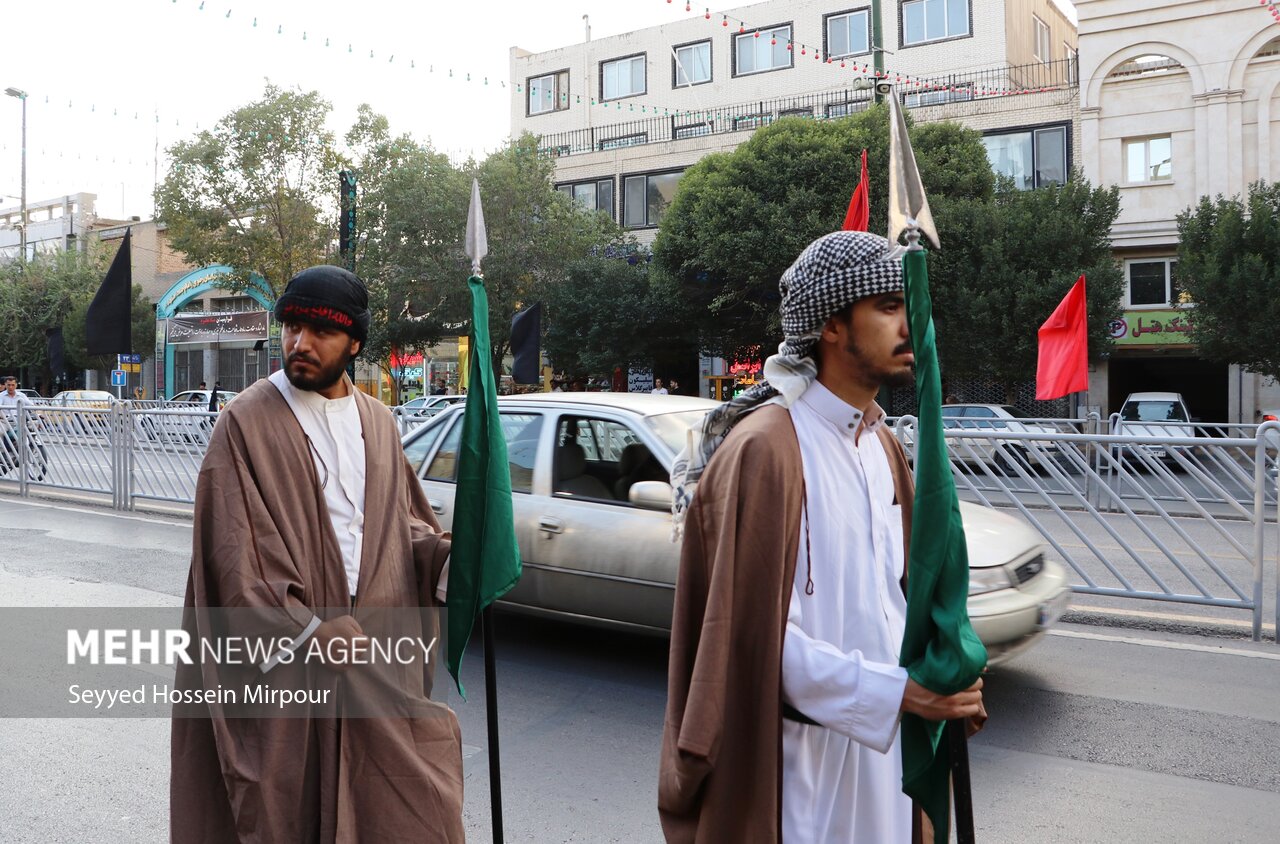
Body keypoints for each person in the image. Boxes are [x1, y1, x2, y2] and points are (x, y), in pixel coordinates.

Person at [659, 231, 985, 843]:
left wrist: (940, 668)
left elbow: (900, 603)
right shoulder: (766, 449)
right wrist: (896, 693)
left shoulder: (884, 445)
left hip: (886, 754)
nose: (910, 327)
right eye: (888, 308)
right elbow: (750, 641)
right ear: (831, 325)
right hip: (798, 771)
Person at [171, 265, 463, 842]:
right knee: (284, 811)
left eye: (320, 332)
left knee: (409, 809)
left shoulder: (378, 422)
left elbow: (398, 527)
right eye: (292, 326)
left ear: (355, 343)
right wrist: (306, 629)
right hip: (287, 669)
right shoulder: (244, 423)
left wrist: (451, 557)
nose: (299, 344)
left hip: (374, 661)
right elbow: (234, 557)